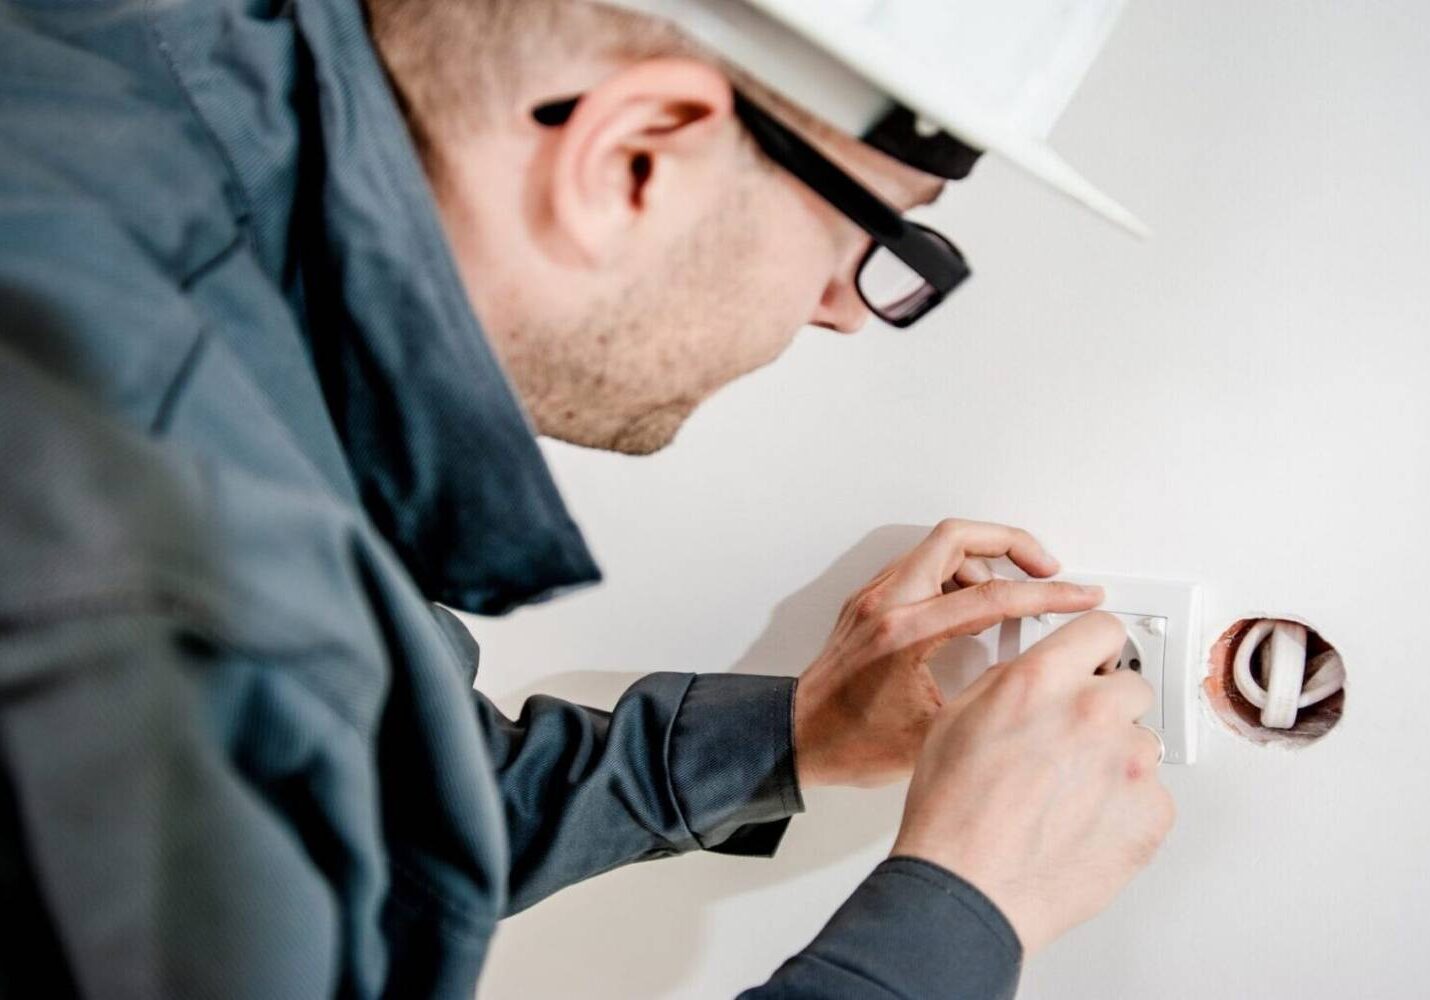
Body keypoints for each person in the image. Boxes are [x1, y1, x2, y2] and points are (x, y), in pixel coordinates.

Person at [0, 0, 1174, 996]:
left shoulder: (108, 91)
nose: (842, 308)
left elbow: (344, 809)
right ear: (635, 156)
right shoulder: (175, 596)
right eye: (871, 238)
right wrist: (957, 910)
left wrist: (793, 733)